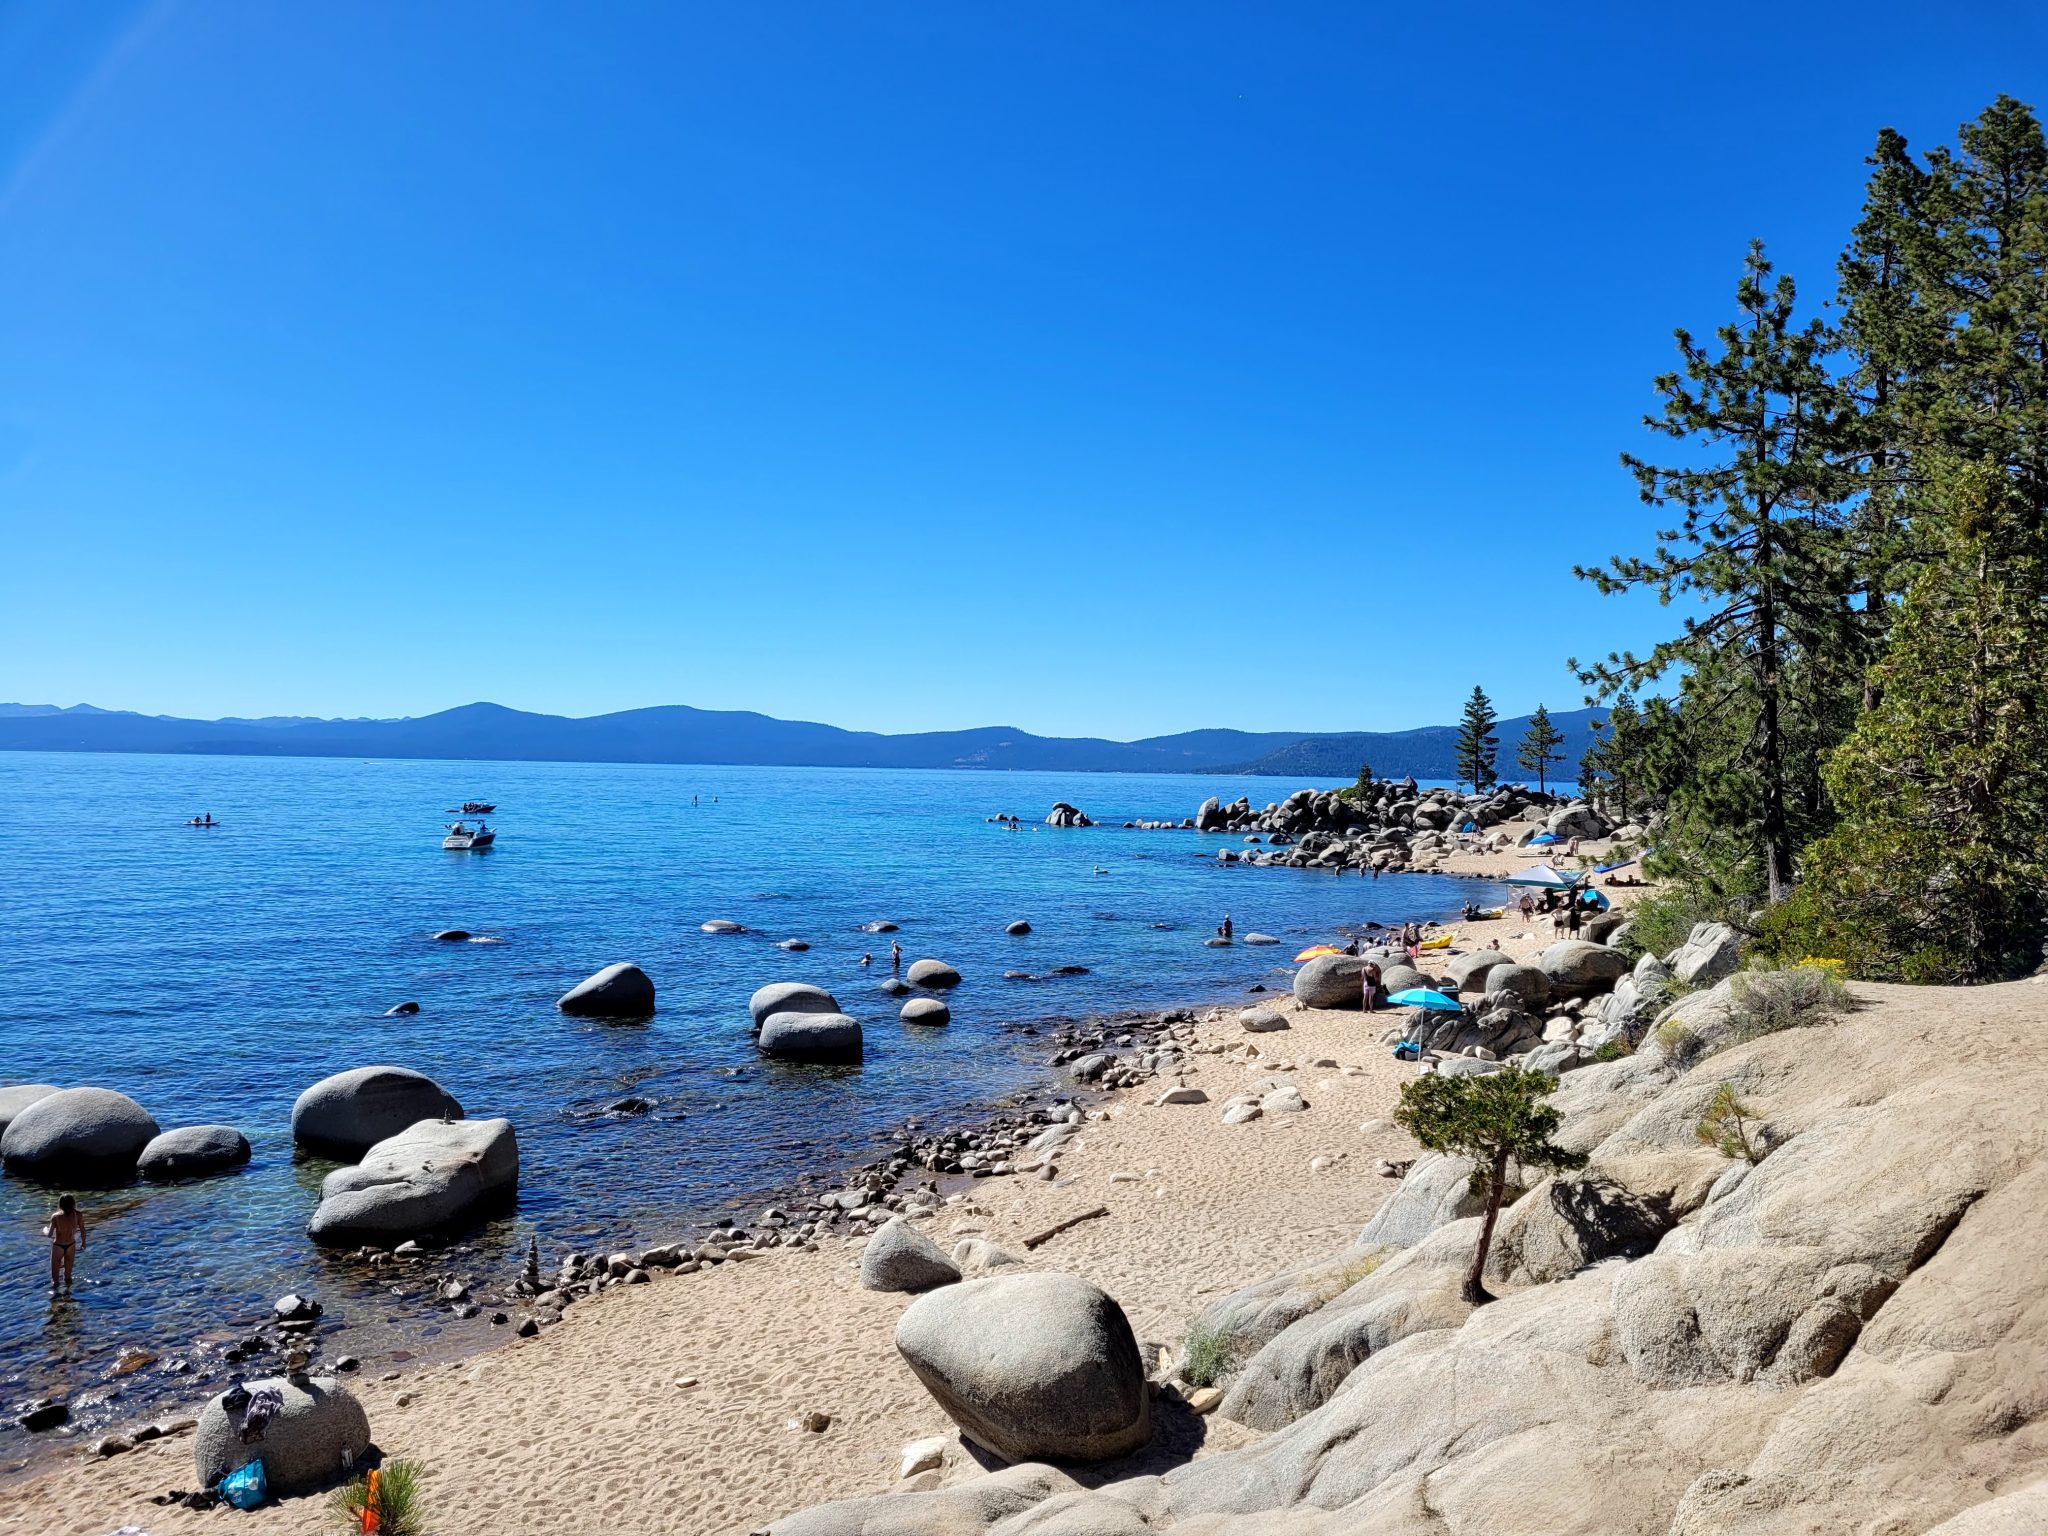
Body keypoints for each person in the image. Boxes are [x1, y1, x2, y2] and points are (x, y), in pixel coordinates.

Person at [44, 1196, 84, 1293]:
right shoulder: (78, 1215)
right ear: (73, 1203)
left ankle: (55, 1300)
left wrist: (44, 1230)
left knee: (55, 1278)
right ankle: (68, 1296)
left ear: (60, 1204)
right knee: (68, 1276)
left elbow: (49, 1235)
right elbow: (82, 1229)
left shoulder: (56, 1217)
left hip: (58, 1246)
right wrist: (84, 1242)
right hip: (71, 1245)